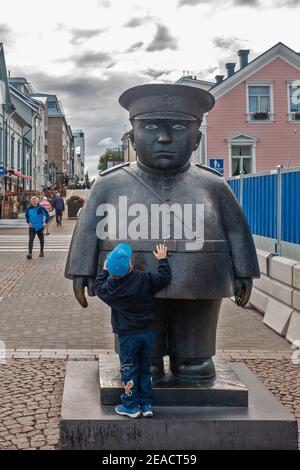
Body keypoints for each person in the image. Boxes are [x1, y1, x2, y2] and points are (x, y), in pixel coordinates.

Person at [65, 84, 260, 383]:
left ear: (196, 139)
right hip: (135, 277)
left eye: (180, 127)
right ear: (132, 136)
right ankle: (147, 362)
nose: (164, 137)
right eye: (151, 126)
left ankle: (193, 358)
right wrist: (81, 268)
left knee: (195, 359)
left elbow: (236, 228)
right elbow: (89, 226)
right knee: (145, 355)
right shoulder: (109, 184)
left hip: (200, 278)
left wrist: (245, 270)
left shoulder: (213, 186)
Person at [94, 243, 172, 418]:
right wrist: (162, 260)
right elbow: (164, 278)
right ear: (130, 265)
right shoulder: (144, 278)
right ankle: (146, 404)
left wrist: (104, 271)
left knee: (129, 369)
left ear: (112, 271)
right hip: (146, 332)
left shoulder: (110, 289)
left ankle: (130, 405)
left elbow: (97, 288)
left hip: (127, 336)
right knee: (145, 367)